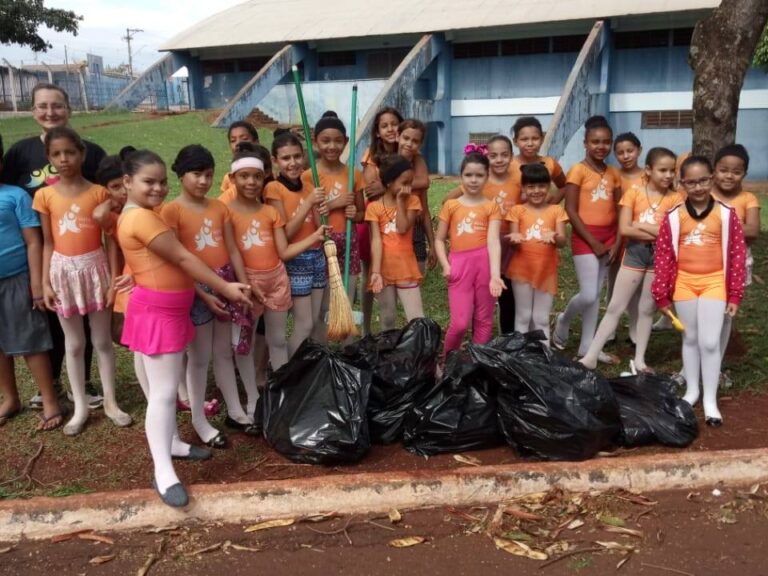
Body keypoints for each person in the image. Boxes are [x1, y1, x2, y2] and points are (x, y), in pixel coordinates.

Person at [118, 149, 252, 507]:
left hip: (170, 310)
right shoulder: (142, 219)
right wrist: (223, 287)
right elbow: (182, 257)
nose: (158, 188)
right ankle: (163, 470)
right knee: (162, 393)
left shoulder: (145, 214)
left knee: (167, 387)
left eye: (162, 181)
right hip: (158, 312)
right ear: (127, 182)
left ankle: (174, 443)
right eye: (149, 181)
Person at [0, 83, 104, 410]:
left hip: (82, 251)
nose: (50, 112)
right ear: (33, 111)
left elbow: (107, 193)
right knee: (46, 316)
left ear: (68, 110)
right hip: (38, 248)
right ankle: (53, 382)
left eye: (57, 106)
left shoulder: (92, 152)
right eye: (42, 106)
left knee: (82, 316)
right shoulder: (19, 153)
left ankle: (82, 382)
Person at [32, 127, 132, 436]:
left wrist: (112, 281)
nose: (64, 159)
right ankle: (80, 408)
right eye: (57, 154)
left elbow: (111, 240)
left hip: (96, 269)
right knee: (74, 343)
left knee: (101, 341)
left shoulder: (99, 194)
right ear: (49, 158)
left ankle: (111, 402)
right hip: (63, 273)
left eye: (70, 152)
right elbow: (48, 242)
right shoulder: (44, 195)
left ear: (82, 154)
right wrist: (47, 282)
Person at [162, 145, 257, 446]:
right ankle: (199, 420)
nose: (203, 181)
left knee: (223, 351)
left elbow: (232, 249)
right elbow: (177, 261)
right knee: (200, 356)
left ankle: (237, 411)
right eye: (196, 174)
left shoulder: (219, 208)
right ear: (180, 175)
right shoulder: (171, 211)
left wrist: (243, 286)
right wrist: (203, 296)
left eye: (207, 175)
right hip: (197, 290)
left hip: (226, 283)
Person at [652, 156, 747, 427]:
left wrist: (735, 294)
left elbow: (737, 256)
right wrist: (661, 293)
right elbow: (664, 257)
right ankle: (692, 391)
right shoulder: (674, 217)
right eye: (690, 182)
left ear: (712, 178)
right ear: (682, 184)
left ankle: (710, 401)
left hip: (714, 281)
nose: (698, 187)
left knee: (709, 341)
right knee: (690, 339)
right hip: (684, 283)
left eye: (703, 180)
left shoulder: (726, 214)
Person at [580, 148, 683, 372]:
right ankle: (590, 356)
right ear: (648, 170)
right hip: (635, 254)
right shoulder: (634, 193)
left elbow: (675, 233)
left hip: (660, 258)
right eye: (662, 170)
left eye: (671, 171)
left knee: (646, 308)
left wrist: (642, 225)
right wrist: (657, 231)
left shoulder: (676, 198)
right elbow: (625, 228)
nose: (668, 175)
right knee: (616, 306)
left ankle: (640, 360)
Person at [228, 148, 329, 373]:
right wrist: (246, 281)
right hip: (251, 282)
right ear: (232, 177)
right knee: (248, 341)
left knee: (280, 336)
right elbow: (232, 252)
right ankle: (255, 390)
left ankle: (284, 380)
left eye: (256, 176)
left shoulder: (269, 212)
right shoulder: (227, 212)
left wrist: (321, 210)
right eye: (244, 176)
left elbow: (283, 247)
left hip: (280, 275)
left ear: (264, 174)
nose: (251, 182)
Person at [0, 132, 64, 431]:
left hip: (16, 279)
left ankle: (50, 401)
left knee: (30, 342)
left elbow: (33, 242)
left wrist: (37, 284)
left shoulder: (15, 196)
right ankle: (10, 398)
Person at [553, 116, 622, 359]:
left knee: (595, 298)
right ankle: (564, 319)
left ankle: (588, 347)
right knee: (589, 294)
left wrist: (616, 241)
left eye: (606, 142)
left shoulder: (614, 173)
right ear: (585, 143)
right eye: (595, 142)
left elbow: (621, 209)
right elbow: (570, 210)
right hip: (585, 238)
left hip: (610, 238)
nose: (601, 146)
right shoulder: (577, 170)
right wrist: (593, 242)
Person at [264, 132, 328, 355]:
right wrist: (308, 203)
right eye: (286, 158)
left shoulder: (310, 186)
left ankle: (310, 368)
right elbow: (287, 233)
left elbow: (318, 225)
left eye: (297, 156)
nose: (293, 163)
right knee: (304, 324)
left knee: (317, 320)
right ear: (275, 161)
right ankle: (290, 370)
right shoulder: (274, 189)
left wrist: (321, 209)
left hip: (317, 256)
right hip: (296, 260)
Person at [435, 151, 503, 355]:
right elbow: (439, 239)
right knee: (460, 323)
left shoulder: (492, 207)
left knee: (484, 320)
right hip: (459, 265)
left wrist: (495, 275)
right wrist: (446, 265)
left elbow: (493, 241)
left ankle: (476, 363)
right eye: (468, 175)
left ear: (487, 177)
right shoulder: (451, 205)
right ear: (461, 176)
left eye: (479, 175)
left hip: (484, 264)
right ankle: (447, 362)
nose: (473, 180)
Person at [302, 111, 365, 307]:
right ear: (315, 141)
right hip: (321, 243)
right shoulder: (308, 176)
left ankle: (349, 338)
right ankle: (320, 339)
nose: (332, 146)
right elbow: (308, 215)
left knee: (345, 301)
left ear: (345, 141)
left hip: (348, 243)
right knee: (323, 306)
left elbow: (362, 214)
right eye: (326, 141)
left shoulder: (354, 174)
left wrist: (355, 215)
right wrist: (334, 204)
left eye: (338, 141)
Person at [711, 144, 760, 387]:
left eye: (736, 171)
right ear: (714, 171)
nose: (729, 175)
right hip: (704, 266)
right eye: (723, 170)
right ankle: (690, 367)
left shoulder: (747, 199)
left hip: (735, 267)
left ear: (744, 173)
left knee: (723, 318)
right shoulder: (706, 195)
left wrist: (718, 227)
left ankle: (715, 368)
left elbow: (753, 230)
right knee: (699, 318)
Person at [505, 163, 568, 345]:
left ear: (549, 186)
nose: (536, 191)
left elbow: (563, 242)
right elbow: (514, 244)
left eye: (541, 186)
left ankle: (543, 358)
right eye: (531, 186)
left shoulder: (556, 211)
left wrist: (555, 237)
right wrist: (514, 240)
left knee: (541, 318)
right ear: (523, 188)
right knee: (523, 316)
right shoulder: (517, 211)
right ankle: (521, 356)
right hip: (521, 270)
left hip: (546, 271)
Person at [366, 154, 425, 330]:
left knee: (416, 318)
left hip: (406, 268)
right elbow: (376, 241)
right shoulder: (374, 207)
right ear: (389, 182)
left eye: (410, 182)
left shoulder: (412, 201)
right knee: (388, 317)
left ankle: (417, 353)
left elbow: (402, 228)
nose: (408, 187)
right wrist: (376, 271)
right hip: (383, 269)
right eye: (404, 182)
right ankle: (388, 353)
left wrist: (400, 201)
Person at [360, 107, 403, 335]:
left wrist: (387, 184)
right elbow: (372, 190)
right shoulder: (370, 155)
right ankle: (366, 329)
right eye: (384, 125)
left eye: (394, 124)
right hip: (374, 220)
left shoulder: (406, 151)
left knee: (392, 273)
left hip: (399, 220)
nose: (390, 129)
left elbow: (419, 181)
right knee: (370, 274)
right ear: (377, 131)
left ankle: (390, 326)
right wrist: (396, 183)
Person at [611, 132, 645, 344]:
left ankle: (634, 330)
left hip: (642, 237)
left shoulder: (648, 175)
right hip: (617, 235)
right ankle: (611, 330)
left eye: (630, 151)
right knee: (614, 283)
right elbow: (613, 210)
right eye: (620, 152)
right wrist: (615, 242)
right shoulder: (615, 176)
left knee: (638, 288)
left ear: (639, 150)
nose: (626, 156)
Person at [397, 119, 436, 275]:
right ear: (397, 137)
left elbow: (425, 210)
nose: (409, 144)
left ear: (420, 145)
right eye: (406, 138)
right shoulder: (386, 163)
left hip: (416, 230)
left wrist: (432, 244)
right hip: (392, 229)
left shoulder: (418, 168)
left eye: (415, 141)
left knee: (417, 276)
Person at [508, 116, 567, 204]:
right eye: (524, 139)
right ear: (515, 141)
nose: (530, 144)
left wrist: (550, 206)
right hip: (513, 216)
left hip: (541, 218)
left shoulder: (550, 163)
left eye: (535, 138)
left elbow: (565, 187)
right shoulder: (507, 165)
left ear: (542, 139)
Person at [219, 121, 260, 202]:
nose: (238, 143)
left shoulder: (266, 174)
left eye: (244, 139)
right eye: (233, 140)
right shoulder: (228, 178)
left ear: (256, 142)